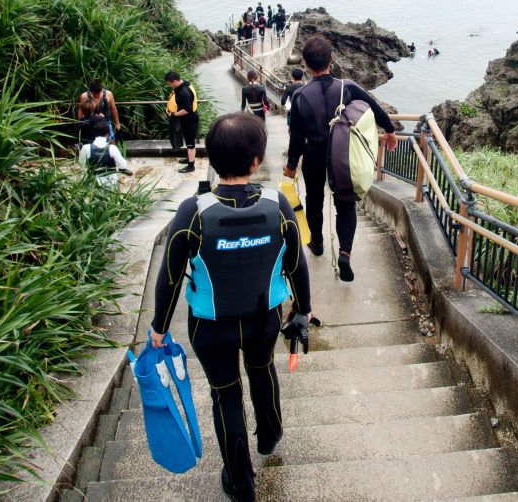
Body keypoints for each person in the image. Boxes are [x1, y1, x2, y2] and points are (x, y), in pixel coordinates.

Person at [150, 112, 312, 502]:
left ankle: (241, 483)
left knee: (225, 395)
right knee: (262, 370)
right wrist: (302, 310)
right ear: (256, 162)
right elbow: (296, 264)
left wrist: (159, 327)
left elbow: (170, 276)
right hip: (264, 319)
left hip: (210, 326)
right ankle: (269, 436)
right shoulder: (277, 205)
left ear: (212, 159)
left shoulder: (194, 211)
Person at [282, 35, 398, 281]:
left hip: (313, 155)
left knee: (314, 199)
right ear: (331, 58)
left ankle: (318, 242)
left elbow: (296, 137)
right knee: (345, 202)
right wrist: (389, 131)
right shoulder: (348, 87)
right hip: (343, 154)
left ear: (305, 63)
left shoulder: (300, 96)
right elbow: (375, 109)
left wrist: (292, 165)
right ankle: (344, 252)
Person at [78, 119, 128, 188]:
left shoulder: (85, 148)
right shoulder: (112, 148)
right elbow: (123, 165)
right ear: (107, 134)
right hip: (111, 182)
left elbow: (82, 167)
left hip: (94, 184)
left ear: (94, 133)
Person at [165, 71, 199, 174]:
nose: (169, 85)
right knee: (189, 141)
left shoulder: (183, 92)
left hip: (189, 120)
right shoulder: (185, 84)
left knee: (190, 143)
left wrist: (173, 115)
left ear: (174, 81)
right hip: (188, 119)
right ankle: (189, 158)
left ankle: (191, 166)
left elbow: (186, 110)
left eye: (169, 83)